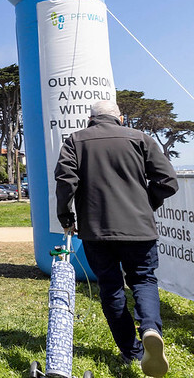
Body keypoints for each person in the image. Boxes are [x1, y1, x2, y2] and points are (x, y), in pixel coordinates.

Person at [55, 100, 178, 377]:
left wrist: (65, 215)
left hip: (96, 230)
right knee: (144, 279)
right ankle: (149, 329)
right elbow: (168, 180)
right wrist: (147, 203)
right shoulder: (140, 138)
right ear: (120, 118)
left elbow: (66, 182)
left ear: (91, 119)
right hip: (139, 227)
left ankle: (131, 351)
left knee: (111, 288)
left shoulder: (76, 141)